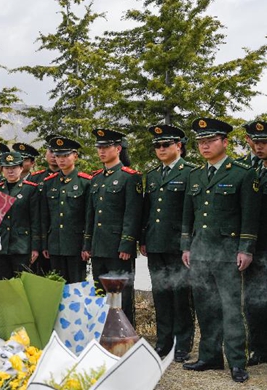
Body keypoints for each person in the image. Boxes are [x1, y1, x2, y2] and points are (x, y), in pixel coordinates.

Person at [181, 118, 260, 383]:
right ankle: (209, 356)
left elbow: (250, 216)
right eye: (200, 142)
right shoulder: (195, 174)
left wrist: (246, 249)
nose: (204, 146)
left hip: (228, 253)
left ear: (225, 142)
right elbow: (187, 216)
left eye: (210, 140)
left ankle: (237, 361)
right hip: (201, 252)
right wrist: (186, 247)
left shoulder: (242, 173)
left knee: (230, 308)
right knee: (205, 307)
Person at [139, 125, 195, 362]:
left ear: (178, 146)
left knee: (181, 295)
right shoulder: (152, 175)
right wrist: (143, 239)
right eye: (157, 146)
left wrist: (188, 244)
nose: (160, 149)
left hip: (178, 245)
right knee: (160, 293)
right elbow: (147, 211)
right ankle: (164, 341)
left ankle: (183, 344)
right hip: (155, 242)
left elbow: (192, 212)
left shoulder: (190, 172)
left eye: (166, 145)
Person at [84, 128, 142, 326]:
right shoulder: (97, 178)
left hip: (118, 247)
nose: (101, 151)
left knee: (122, 294)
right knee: (100, 292)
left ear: (118, 148)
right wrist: (87, 243)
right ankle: (103, 330)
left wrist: (127, 244)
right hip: (99, 246)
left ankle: (124, 333)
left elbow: (132, 213)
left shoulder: (129, 177)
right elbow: (91, 214)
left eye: (106, 147)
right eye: (99, 147)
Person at [39, 136, 91, 282]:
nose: (61, 160)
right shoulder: (49, 183)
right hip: (55, 244)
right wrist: (45, 243)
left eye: (65, 155)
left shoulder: (85, 182)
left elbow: (89, 216)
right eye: (58, 156)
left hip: (75, 244)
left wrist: (86, 245)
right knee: (57, 285)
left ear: (75, 156)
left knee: (76, 285)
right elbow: (45, 217)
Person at [240, 120, 267, 366]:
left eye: (264, 142)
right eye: (256, 142)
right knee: (253, 300)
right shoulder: (249, 168)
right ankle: (258, 348)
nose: (260, 147)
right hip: (255, 246)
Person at [0, 151, 40, 280]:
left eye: (14, 168)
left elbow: (35, 220)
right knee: (3, 284)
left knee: (22, 283)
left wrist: (35, 247)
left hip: (22, 246)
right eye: (7, 168)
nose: (10, 171)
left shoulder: (30, 189)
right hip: (1, 245)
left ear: (21, 168)